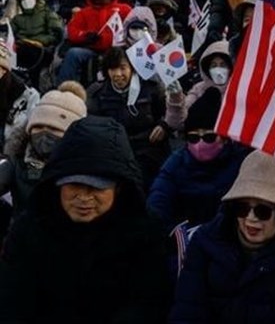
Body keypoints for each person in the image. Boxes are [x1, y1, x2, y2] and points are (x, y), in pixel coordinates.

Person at [0, 116, 172, 322]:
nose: (83, 197)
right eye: (74, 185)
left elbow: (148, 304)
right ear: (57, 184)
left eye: (97, 187)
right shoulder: (30, 228)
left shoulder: (145, 233)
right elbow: (13, 300)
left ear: (118, 188)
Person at [170, 150, 275, 323]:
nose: (251, 218)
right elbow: (188, 310)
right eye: (242, 208)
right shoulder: (206, 241)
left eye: (263, 211)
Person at [148, 88, 249, 234]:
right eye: (193, 138)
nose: (200, 143)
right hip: (186, 237)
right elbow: (159, 198)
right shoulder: (176, 162)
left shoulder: (240, 163)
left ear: (224, 138)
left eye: (209, 137)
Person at [0, 81, 86, 222]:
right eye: (39, 127)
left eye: (54, 129)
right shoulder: (17, 165)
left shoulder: (84, 171)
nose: (44, 134)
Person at [86, 47, 170, 192]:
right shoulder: (97, 93)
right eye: (113, 69)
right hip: (114, 151)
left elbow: (168, 114)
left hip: (147, 149)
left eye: (122, 68)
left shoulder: (152, 88)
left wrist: (163, 126)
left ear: (132, 68)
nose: (118, 74)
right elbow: (93, 126)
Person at [57, 0, 132, 84]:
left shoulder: (124, 10)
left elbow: (133, 27)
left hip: (119, 51)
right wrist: (85, 36)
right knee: (73, 53)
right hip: (92, 50)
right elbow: (72, 30)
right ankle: (62, 88)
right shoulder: (84, 12)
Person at [166, 40, 232, 132]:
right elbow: (179, 123)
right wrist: (176, 97)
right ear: (207, 69)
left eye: (223, 65)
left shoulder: (239, 88)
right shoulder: (199, 89)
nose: (218, 69)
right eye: (213, 65)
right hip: (198, 142)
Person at [10, 0, 64, 87]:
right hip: (21, 48)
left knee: (30, 52)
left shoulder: (48, 14)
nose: (26, 0)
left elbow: (56, 34)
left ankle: (34, 85)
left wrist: (38, 41)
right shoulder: (17, 19)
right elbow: (10, 34)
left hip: (43, 49)